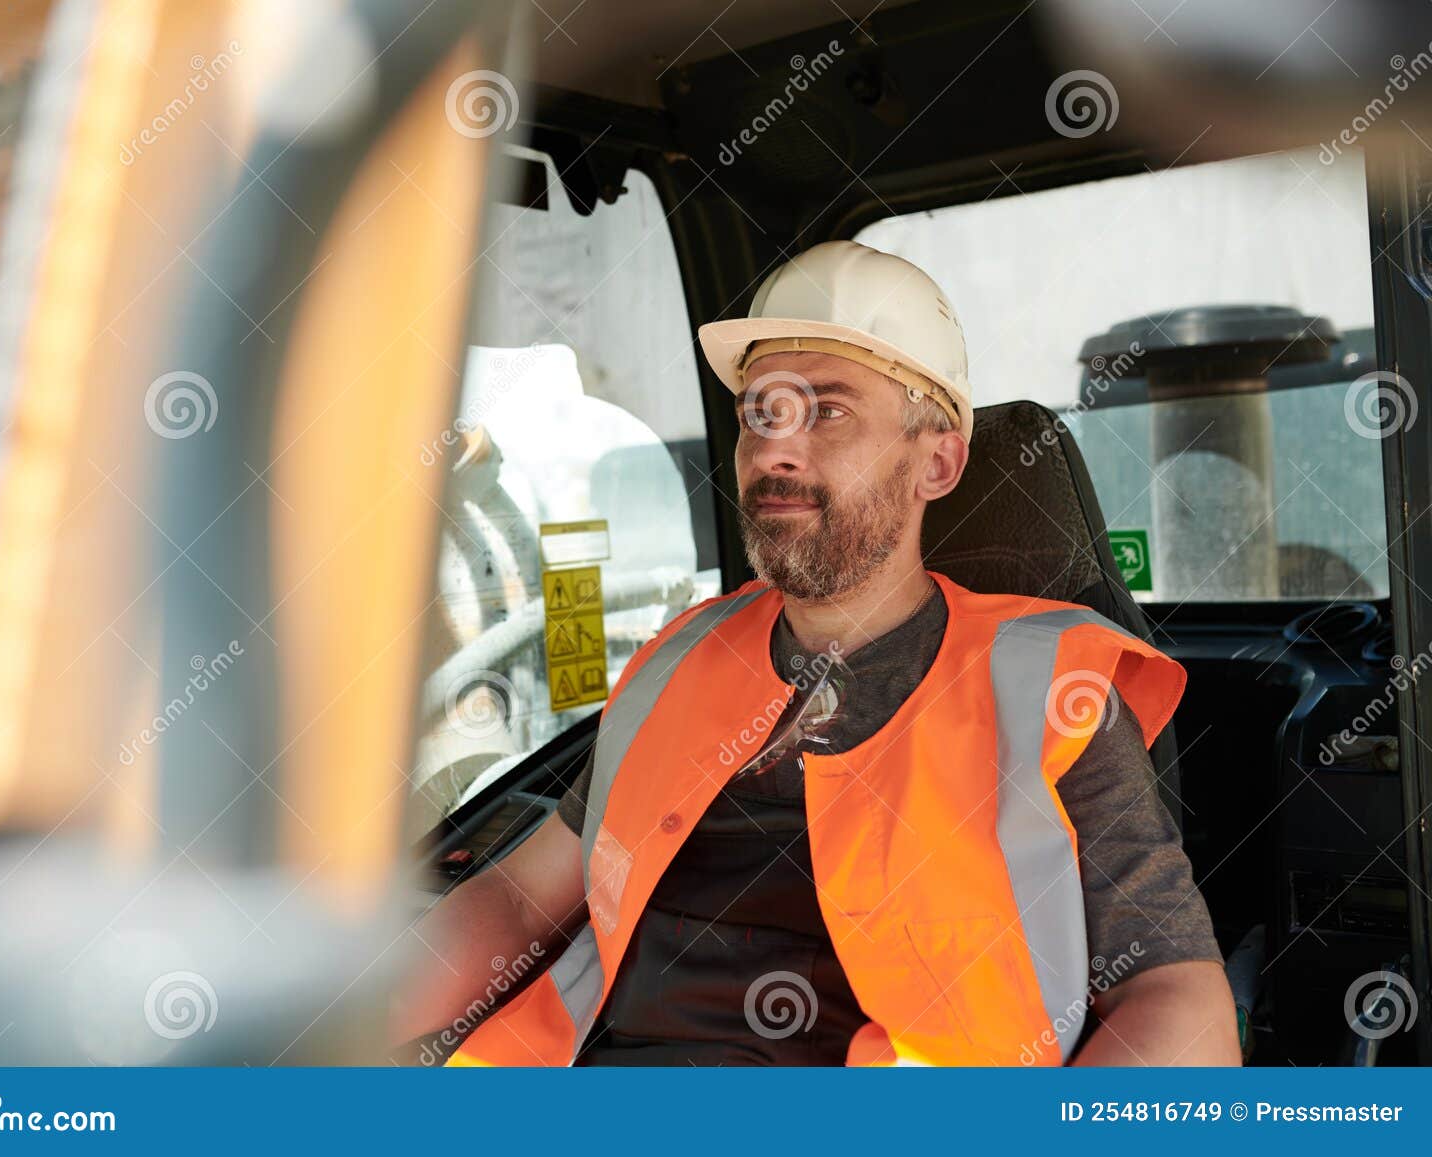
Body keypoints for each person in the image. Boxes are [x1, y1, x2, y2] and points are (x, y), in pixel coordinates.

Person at [392, 240, 1240, 1066]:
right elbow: (515, 898)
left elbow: (1178, 1002)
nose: (774, 448)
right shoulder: (672, 664)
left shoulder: (1049, 689)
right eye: (761, 410)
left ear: (937, 461)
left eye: (827, 410)